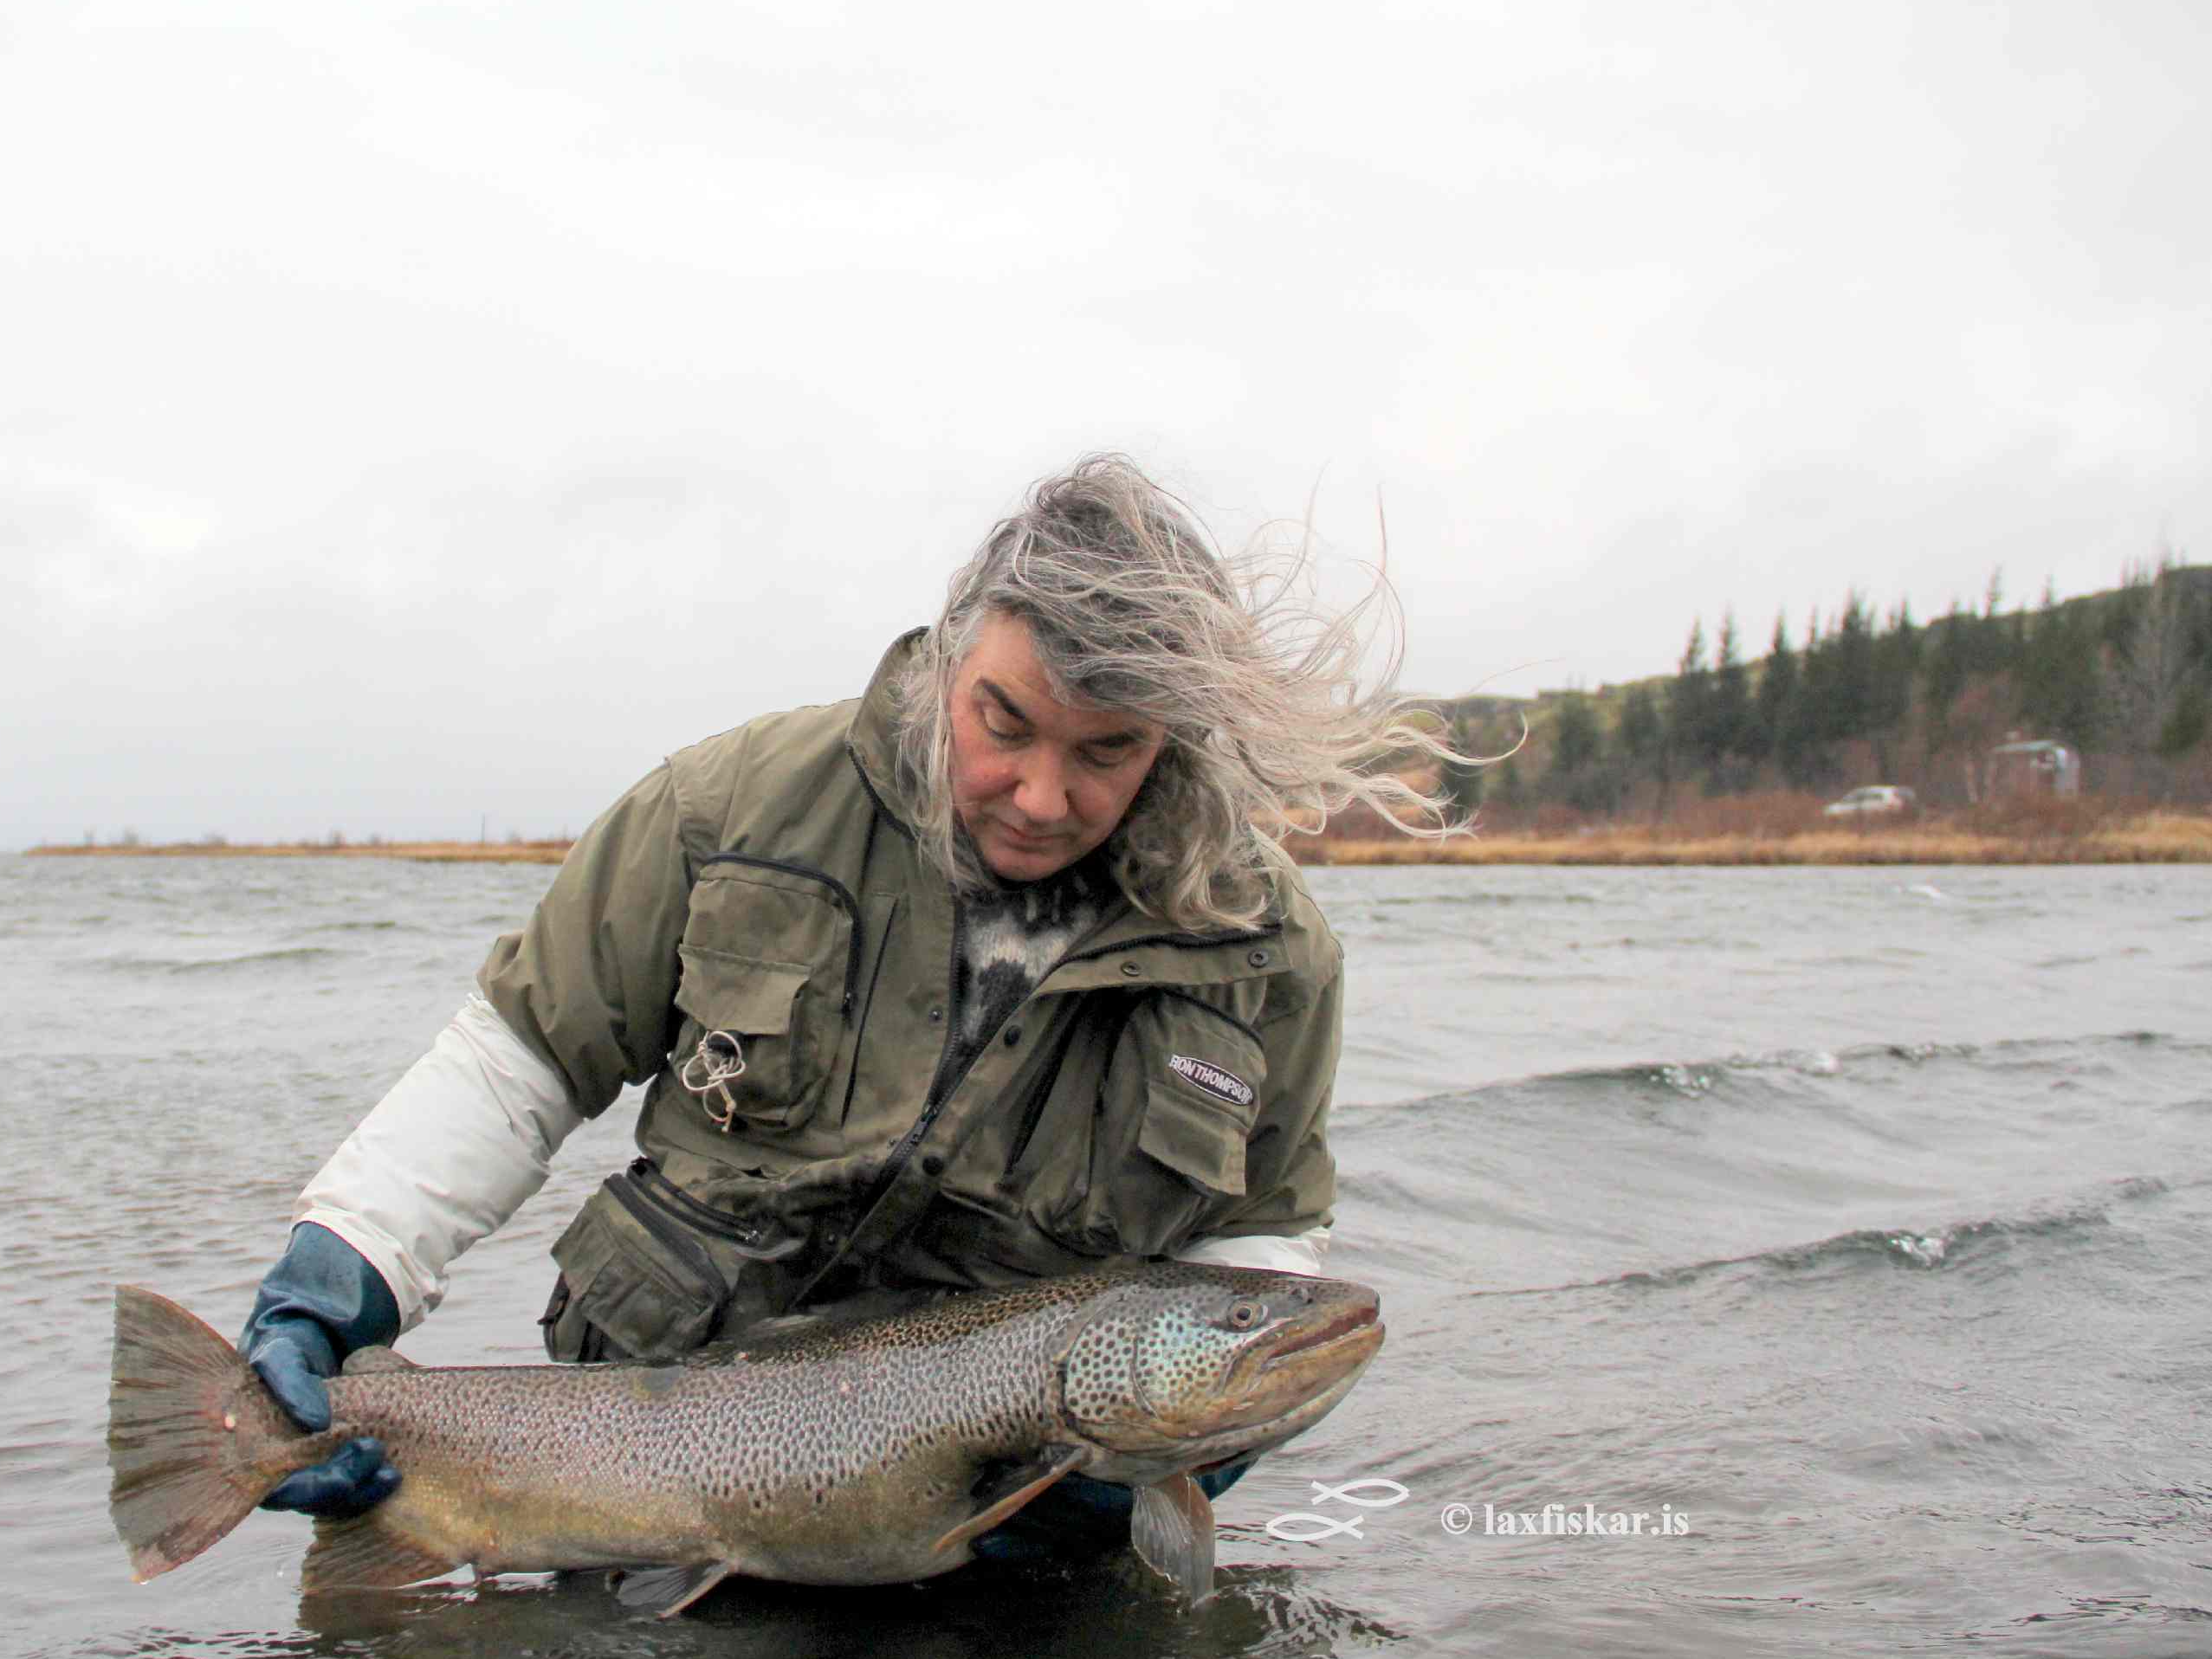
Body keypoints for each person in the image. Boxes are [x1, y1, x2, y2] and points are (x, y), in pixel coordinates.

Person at [238, 454, 1447, 1546]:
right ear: (951, 658)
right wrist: (339, 1277)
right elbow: (520, 1065)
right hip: (657, 1473)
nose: (1035, 796)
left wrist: (1207, 1444)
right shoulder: (734, 805)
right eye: (1004, 724)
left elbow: (1256, 1245)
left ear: (1172, 741)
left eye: (1104, 753)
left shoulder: (1265, 949)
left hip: (1014, 1523)